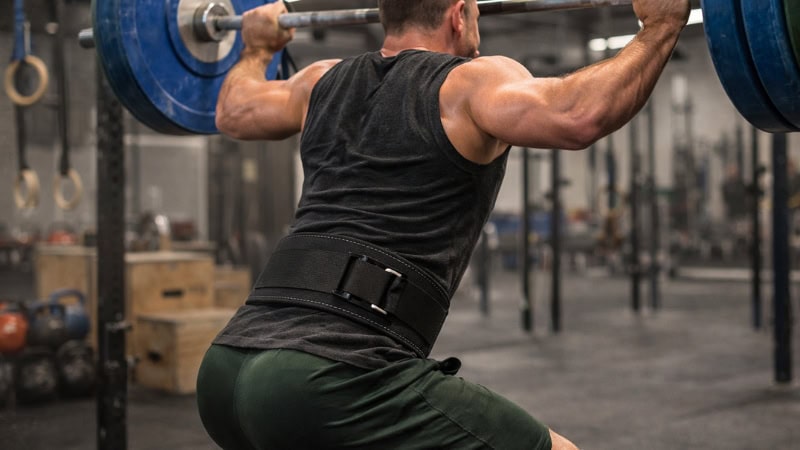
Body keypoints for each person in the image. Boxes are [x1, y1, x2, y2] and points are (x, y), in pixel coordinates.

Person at [197, 0, 689, 448]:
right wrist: (661, 26)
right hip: (330, 377)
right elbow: (579, 115)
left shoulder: (320, 81)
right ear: (460, 15)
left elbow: (234, 110)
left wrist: (255, 48)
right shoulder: (470, 82)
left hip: (226, 370)